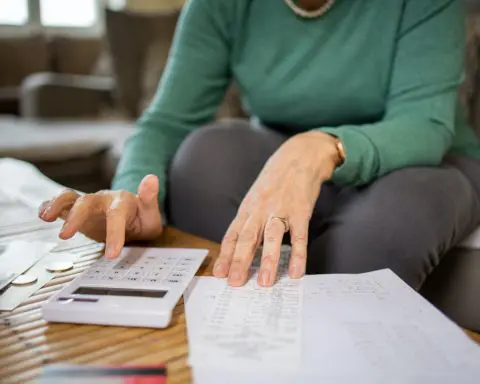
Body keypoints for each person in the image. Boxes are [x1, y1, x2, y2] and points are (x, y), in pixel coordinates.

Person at [39, 0, 480, 290]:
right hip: (285, 155)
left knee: (385, 230)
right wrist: (133, 195)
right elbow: (167, 120)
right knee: (205, 154)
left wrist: (320, 147)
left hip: (421, 164)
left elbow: (424, 125)